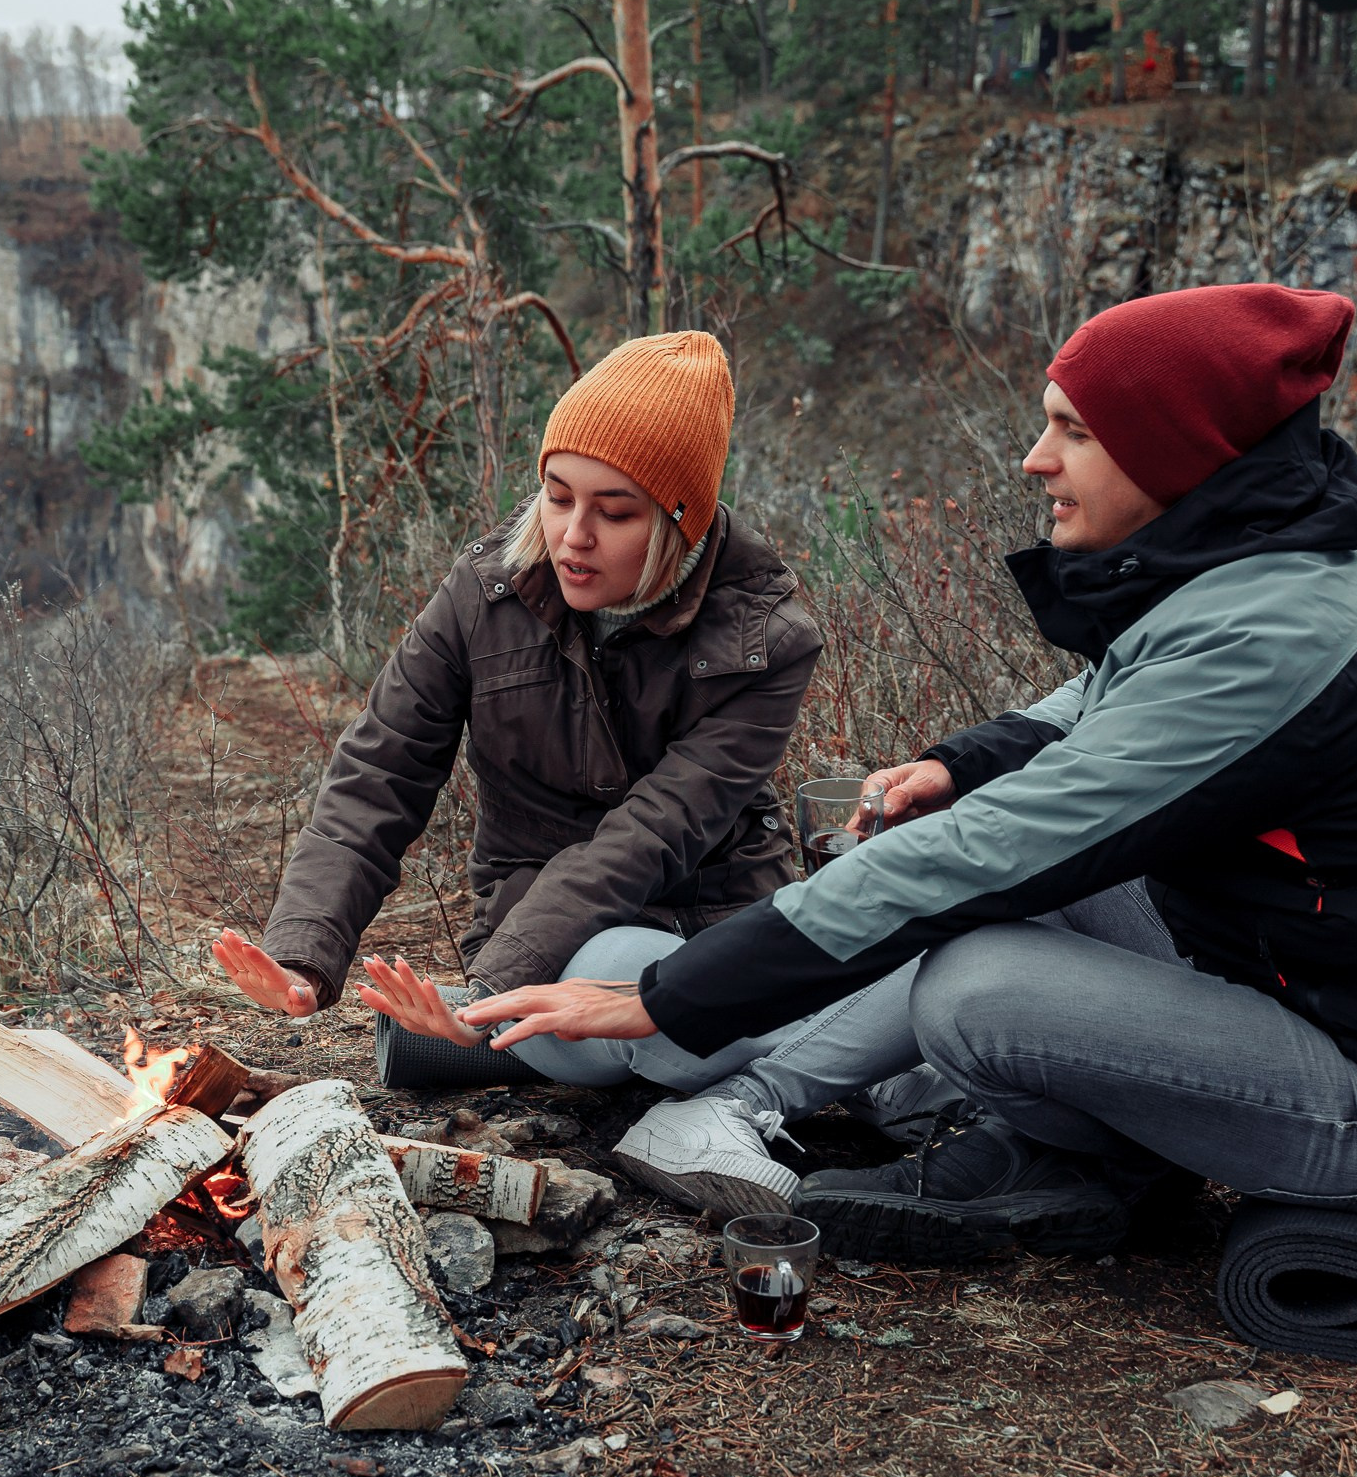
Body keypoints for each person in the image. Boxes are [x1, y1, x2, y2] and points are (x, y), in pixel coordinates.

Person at [459, 284, 1357, 1262]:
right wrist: (954, 763)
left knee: (973, 985)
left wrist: (664, 999)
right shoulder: (1256, 572)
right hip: (1297, 978)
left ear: (1172, 450)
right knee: (950, 843)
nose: (1036, 461)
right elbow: (1095, 703)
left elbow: (984, 860)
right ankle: (1056, 1146)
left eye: (1071, 433)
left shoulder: (1270, 637)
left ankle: (1048, 1151)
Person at [211, 331, 924, 1216]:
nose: (572, 536)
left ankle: (776, 1068)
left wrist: (485, 994)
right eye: (556, 497)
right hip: (540, 959)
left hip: (704, 936)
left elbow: (655, 830)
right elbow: (378, 774)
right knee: (605, 976)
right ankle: (857, 1063)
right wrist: (302, 956)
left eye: (615, 512)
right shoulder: (484, 595)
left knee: (638, 972)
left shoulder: (766, 639)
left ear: (681, 519)